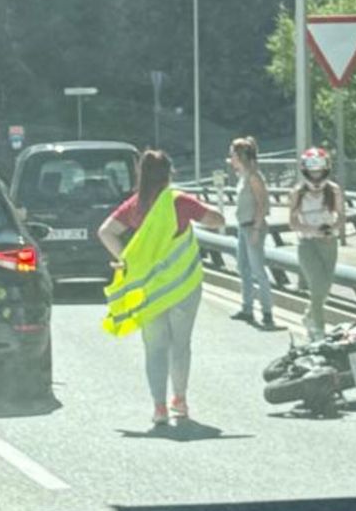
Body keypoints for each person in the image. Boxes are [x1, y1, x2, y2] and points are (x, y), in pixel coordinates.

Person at [98, 149, 225, 425]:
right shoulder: (179, 201)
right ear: (169, 173)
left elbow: (105, 231)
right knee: (180, 345)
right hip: (183, 285)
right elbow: (216, 220)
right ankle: (180, 399)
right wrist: (208, 208)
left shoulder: (135, 206)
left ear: (140, 174)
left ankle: (159, 407)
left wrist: (125, 259)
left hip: (150, 290)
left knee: (154, 348)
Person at [288, 147, 345, 342]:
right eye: (312, 172)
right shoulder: (297, 192)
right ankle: (319, 330)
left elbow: (341, 217)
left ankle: (308, 316)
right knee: (317, 286)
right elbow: (293, 222)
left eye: (319, 171)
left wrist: (331, 228)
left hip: (329, 243)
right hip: (307, 244)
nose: (316, 176)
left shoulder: (334, 190)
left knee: (325, 288)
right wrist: (313, 230)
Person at [227, 136, 282, 331]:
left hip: (252, 227)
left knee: (258, 270)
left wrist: (257, 229)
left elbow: (263, 204)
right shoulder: (243, 176)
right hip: (243, 226)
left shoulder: (253, 177)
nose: (230, 159)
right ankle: (247, 308)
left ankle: (267, 313)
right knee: (243, 268)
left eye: (233, 155)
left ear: (240, 156)